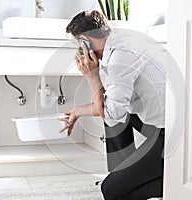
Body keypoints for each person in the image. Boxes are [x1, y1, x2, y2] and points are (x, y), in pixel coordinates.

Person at [60, 10, 165, 200]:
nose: (77, 51)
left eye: (76, 45)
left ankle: (172, 182)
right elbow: (112, 108)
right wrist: (77, 111)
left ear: (85, 40)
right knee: (114, 118)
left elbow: (109, 114)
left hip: (174, 137)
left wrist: (92, 77)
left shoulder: (121, 58)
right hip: (161, 125)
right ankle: (124, 175)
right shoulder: (118, 42)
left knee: (111, 190)